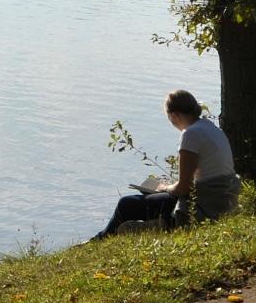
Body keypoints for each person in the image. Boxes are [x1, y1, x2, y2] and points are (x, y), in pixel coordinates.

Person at [93, 89, 241, 239]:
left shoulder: (190, 134)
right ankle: (157, 224)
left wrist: (165, 188)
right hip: (224, 198)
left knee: (126, 204)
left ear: (174, 115)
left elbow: (184, 188)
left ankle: (101, 239)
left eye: (169, 118)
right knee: (149, 197)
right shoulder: (211, 128)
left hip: (204, 204)